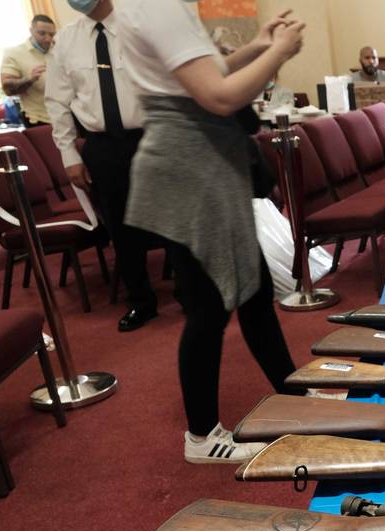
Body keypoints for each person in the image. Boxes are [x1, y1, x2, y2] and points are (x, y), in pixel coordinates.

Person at [118, 0, 305, 464]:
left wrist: (259, 47)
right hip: (190, 167)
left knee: (254, 293)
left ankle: (298, 400)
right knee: (208, 308)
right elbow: (220, 96)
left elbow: (203, 75)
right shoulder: (156, 6)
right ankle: (201, 435)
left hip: (197, 163)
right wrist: (278, 52)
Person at [46, 0, 167, 333]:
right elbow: (57, 102)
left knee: (174, 220)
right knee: (121, 229)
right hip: (102, 146)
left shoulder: (141, 26)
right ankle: (141, 302)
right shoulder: (67, 40)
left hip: (153, 136)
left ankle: (190, 293)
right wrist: (69, 155)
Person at [1, 15, 57, 126]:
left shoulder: (58, 50)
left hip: (67, 116)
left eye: (51, 34)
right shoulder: (14, 53)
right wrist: (29, 79)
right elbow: (7, 88)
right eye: (42, 33)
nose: (48, 39)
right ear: (31, 31)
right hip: (39, 119)